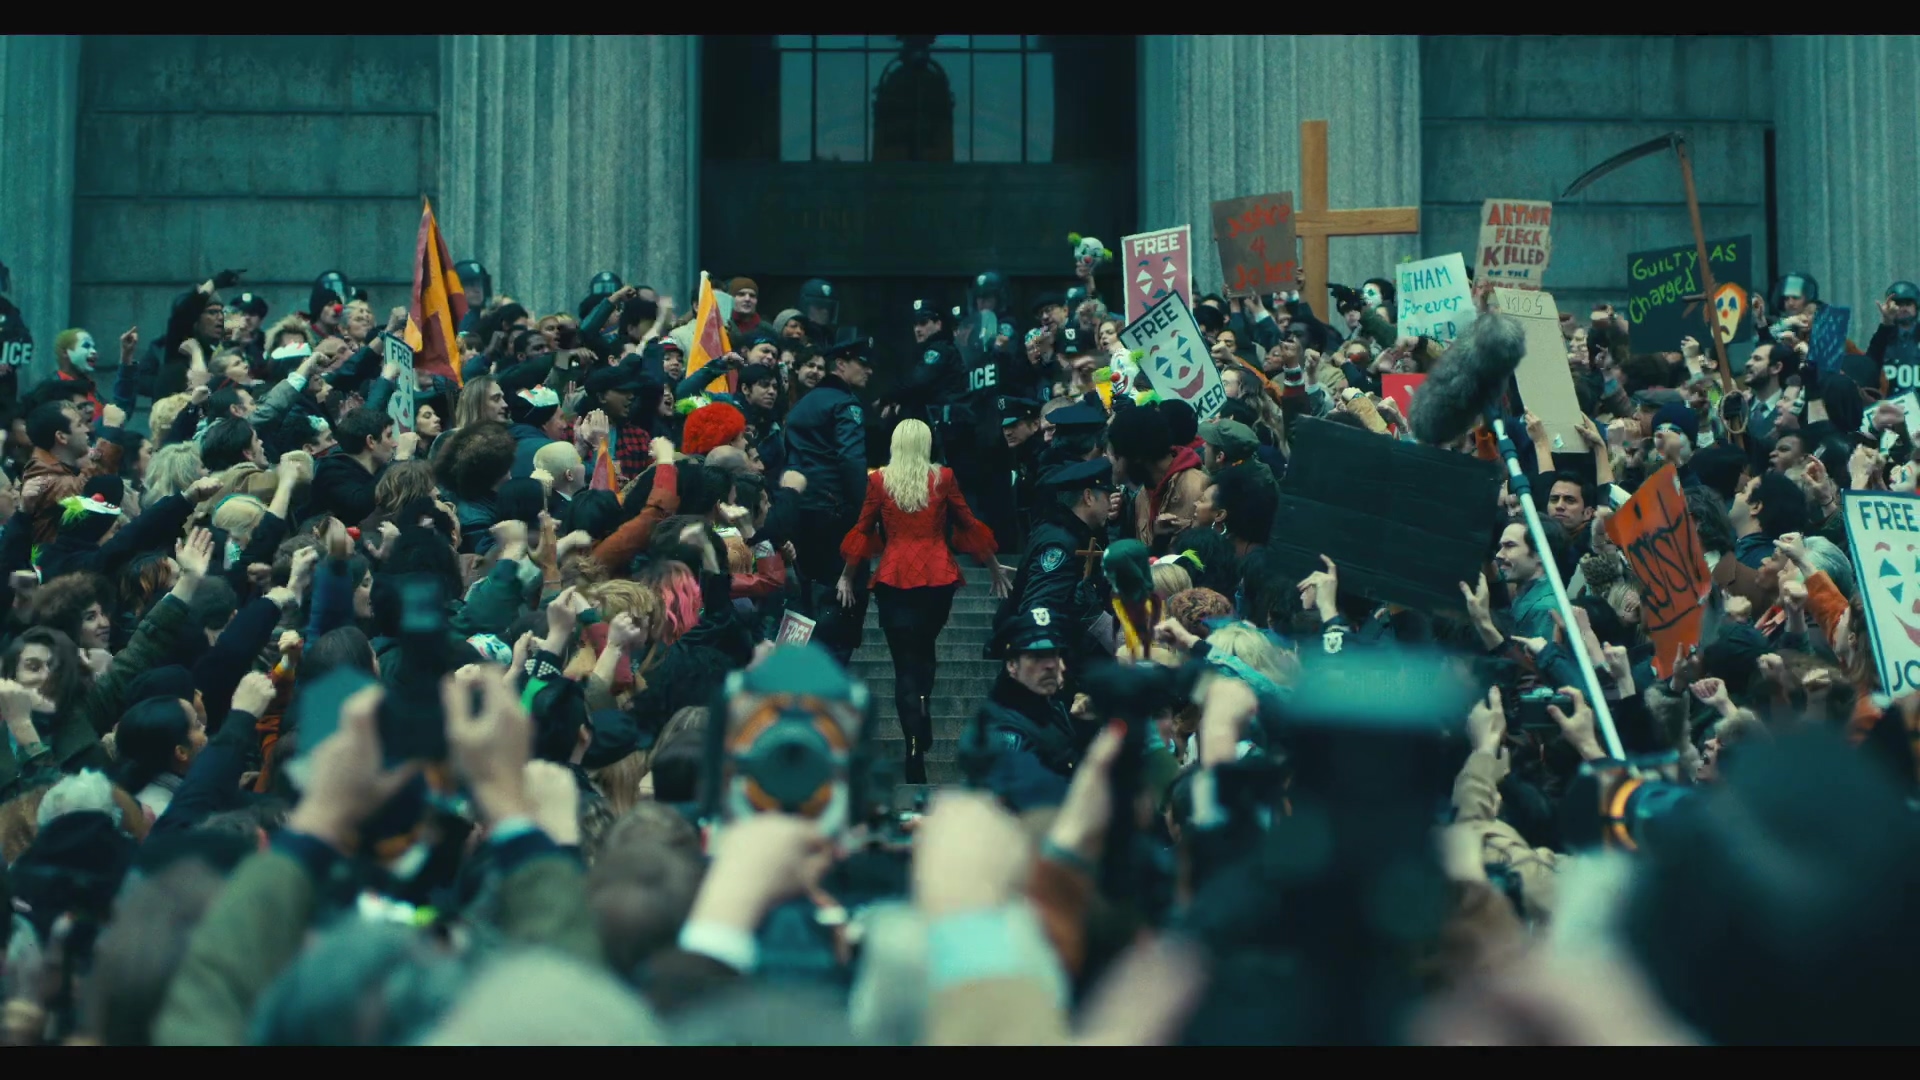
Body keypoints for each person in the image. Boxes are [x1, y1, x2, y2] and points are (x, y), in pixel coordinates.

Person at [839, 420, 1006, 783]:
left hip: (894, 577)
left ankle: (913, 746)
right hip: (936, 576)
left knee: (904, 666)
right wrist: (994, 568)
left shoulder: (879, 481)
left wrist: (846, 576)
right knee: (925, 651)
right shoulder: (943, 477)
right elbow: (968, 524)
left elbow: (863, 528)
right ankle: (924, 709)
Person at [784, 334, 873, 665]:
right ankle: (830, 672)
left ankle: (797, 669)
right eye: (863, 364)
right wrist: (865, 512)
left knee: (805, 596)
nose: (870, 371)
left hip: (800, 512)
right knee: (845, 597)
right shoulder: (845, 404)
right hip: (835, 515)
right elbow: (851, 460)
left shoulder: (803, 405)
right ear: (841, 364)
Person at [991, 457, 1115, 679]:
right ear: (1088, 497)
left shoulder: (1066, 533)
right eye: (1107, 497)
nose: (1111, 505)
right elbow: (1041, 608)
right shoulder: (1060, 543)